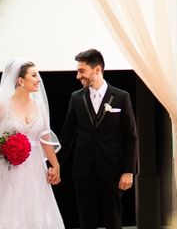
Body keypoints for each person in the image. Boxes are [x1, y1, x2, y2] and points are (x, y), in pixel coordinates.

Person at [0, 58, 65, 228]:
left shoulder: (39, 108)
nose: (38, 79)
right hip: (9, 169)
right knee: (8, 211)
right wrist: (1, 147)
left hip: (35, 171)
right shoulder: (3, 106)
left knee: (36, 210)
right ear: (20, 80)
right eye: (34, 75)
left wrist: (55, 164)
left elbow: (44, 138)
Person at [59, 48, 138, 229]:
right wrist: (55, 165)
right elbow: (67, 135)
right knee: (87, 222)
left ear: (97, 70)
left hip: (112, 170)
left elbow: (130, 137)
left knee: (113, 220)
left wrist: (128, 171)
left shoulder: (121, 97)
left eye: (81, 71)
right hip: (83, 171)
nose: (78, 76)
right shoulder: (76, 98)